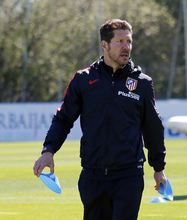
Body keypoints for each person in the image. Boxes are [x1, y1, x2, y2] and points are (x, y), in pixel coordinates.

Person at [33, 19, 167, 220]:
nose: (126, 47)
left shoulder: (142, 83)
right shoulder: (83, 79)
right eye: (120, 41)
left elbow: (153, 128)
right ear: (105, 45)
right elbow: (63, 118)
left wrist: (159, 168)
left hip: (129, 175)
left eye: (129, 42)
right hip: (92, 175)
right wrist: (48, 150)